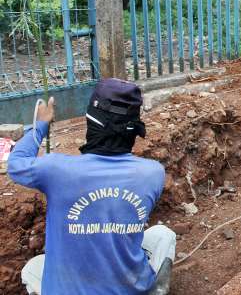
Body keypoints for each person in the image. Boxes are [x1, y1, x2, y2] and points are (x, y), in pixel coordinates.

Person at [8, 78, 175, 295]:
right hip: (129, 289)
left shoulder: (56, 169)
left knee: (32, 268)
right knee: (163, 235)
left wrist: (40, 126)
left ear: (91, 123)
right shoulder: (153, 173)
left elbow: (15, 164)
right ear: (134, 130)